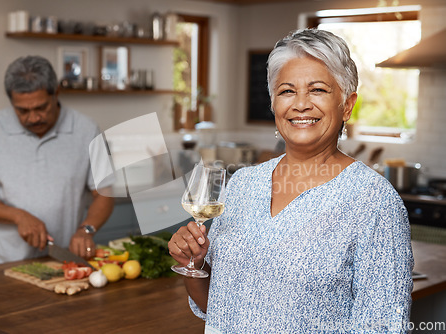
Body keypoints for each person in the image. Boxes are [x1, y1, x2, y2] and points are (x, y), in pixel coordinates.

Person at [168, 28, 413, 333]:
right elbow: (217, 309)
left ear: (347, 105)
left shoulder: (373, 201)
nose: (300, 104)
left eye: (318, 90)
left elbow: (383, 326)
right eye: (287, 91)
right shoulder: (243, 183)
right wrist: (195, 264)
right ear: (274, 104)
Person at [0, 55, 114, 265]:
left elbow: (105, 193)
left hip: (63, 263)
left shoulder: (87, 129)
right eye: (22, 111)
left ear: (56, 94)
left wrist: (86, 230)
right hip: (3, 263)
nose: (33, 118)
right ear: (11, 101)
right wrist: (18, 216)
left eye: (41, 108)